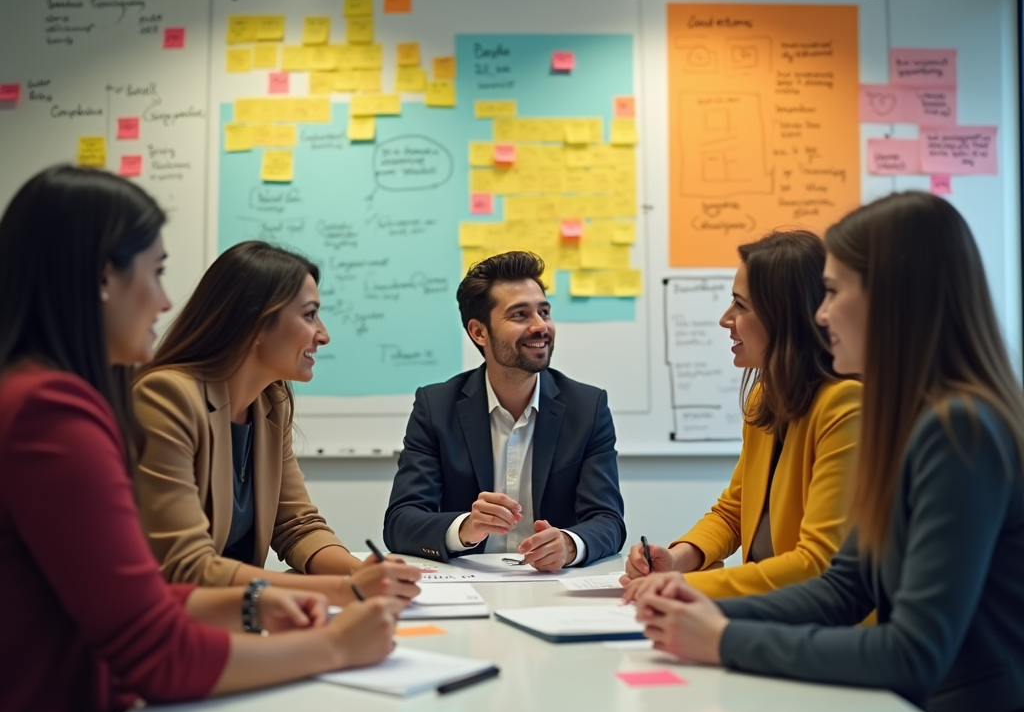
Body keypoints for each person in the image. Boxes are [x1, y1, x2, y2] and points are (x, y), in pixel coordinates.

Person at [0, 166, 399, 712]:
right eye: (156, 272)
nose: (165, 301)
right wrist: (338, 643)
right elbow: (154, 644)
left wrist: (252, 603)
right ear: (102, 278)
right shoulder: (55, 413)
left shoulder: (41, 397)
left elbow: (143, 600)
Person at [625, 192, 1024, 712]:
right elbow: (845, 586)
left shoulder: (960, 430)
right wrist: (693, 604)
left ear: (893, 299)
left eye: (833, 292)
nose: (819, 313)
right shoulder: (903, 419)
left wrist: (722, 636)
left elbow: (914, 651)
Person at [133, 241, 422, 605]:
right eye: (309, 315)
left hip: (237, 615)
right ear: (255, 322)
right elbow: (186, 567)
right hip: (169, 625)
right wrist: (344, 590)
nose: (324, 334)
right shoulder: (165, 397)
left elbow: (296, 525)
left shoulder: (271, 401)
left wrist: (359, 571)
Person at [621, 231, 860, 597]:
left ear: (786, 316)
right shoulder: (765, 398)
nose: (725, 319)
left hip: (826, 632)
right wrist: (677, 558)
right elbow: (734, 512)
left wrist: (682, 585)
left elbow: (816, 564)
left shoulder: (846, 407)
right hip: (772, 617)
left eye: (740, 305)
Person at [383, 251, 626, 570]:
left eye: (544, 312)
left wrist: (569, 544)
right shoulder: (436, 406)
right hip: (468, 582)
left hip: (552, 584)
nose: (541, 327)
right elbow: (400, 522)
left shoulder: (587, 407)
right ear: (479, 332)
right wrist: (465, 528)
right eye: (520, 315)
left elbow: (608, 520)